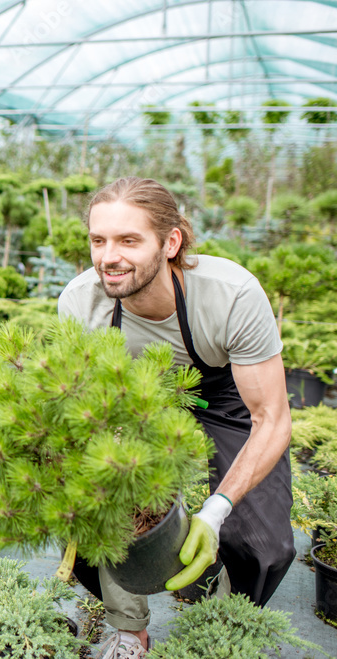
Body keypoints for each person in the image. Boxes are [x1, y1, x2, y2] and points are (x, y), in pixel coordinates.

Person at [57, 177, 294, 659]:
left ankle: (219, 631)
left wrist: (216, 508)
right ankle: (128, 631)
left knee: (262, 543)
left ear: (170, 243)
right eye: (98, 240)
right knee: (104, 510)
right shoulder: (81, 303)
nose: (109, 257)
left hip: (225, 398)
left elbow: (271, 418)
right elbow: (85, 412)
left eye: (128, 240)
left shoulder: (230, 295)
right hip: (133, 400)